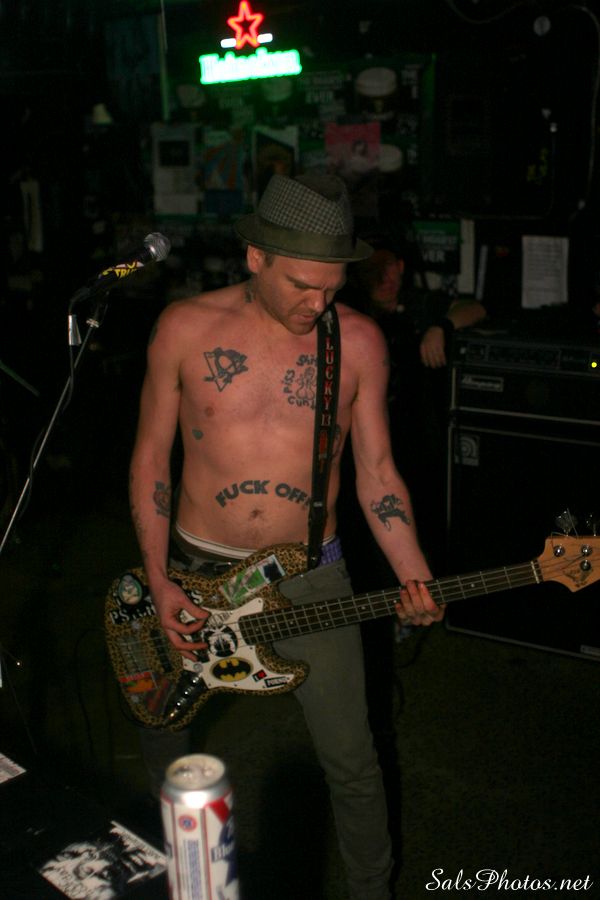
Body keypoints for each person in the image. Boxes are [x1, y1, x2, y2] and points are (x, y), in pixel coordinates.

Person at [129, 173, 443, 900]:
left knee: (352, 760)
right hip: (194, 567)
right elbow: (150, 460)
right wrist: (158, 577)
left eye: (332, 288)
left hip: (311, 575)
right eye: (302, 285)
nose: (317, 304)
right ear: (255, 257)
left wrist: (413, 571)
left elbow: (377, 474)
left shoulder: (358, 342)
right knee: (163, 734)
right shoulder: (183, 329)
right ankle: (172, 874)